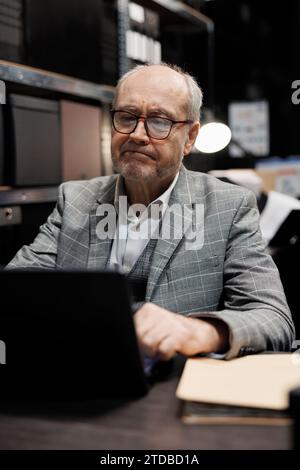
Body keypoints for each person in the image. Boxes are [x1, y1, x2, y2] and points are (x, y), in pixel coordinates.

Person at [6, 63, 294, 361]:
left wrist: (202, 331)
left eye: (159, 121)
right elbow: (16, 288)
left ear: (191, 137)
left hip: (174, 386)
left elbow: (273, 318)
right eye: (127, 117)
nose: (138, 134)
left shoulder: (228, 206)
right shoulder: (76, 199)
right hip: (81, 379)